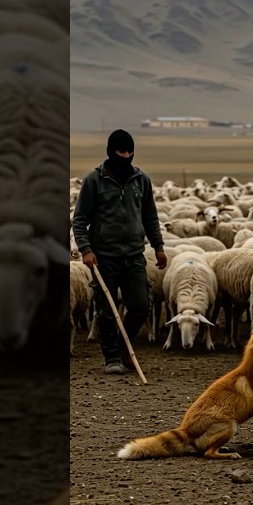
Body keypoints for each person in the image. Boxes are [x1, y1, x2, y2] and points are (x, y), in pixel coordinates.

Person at [71, 129, 167, 374]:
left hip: (134, 254)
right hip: (104, 256)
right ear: (111, 152)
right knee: (106, 308)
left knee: (140, 305)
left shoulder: (140, 180)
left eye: (129, 152)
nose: (126, 156)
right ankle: (112, 358)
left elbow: (150, 217)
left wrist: (158, 247)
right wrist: (86, 249)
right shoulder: (95, 180)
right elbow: (80, 219)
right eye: (121, 152)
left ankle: (125, 345)